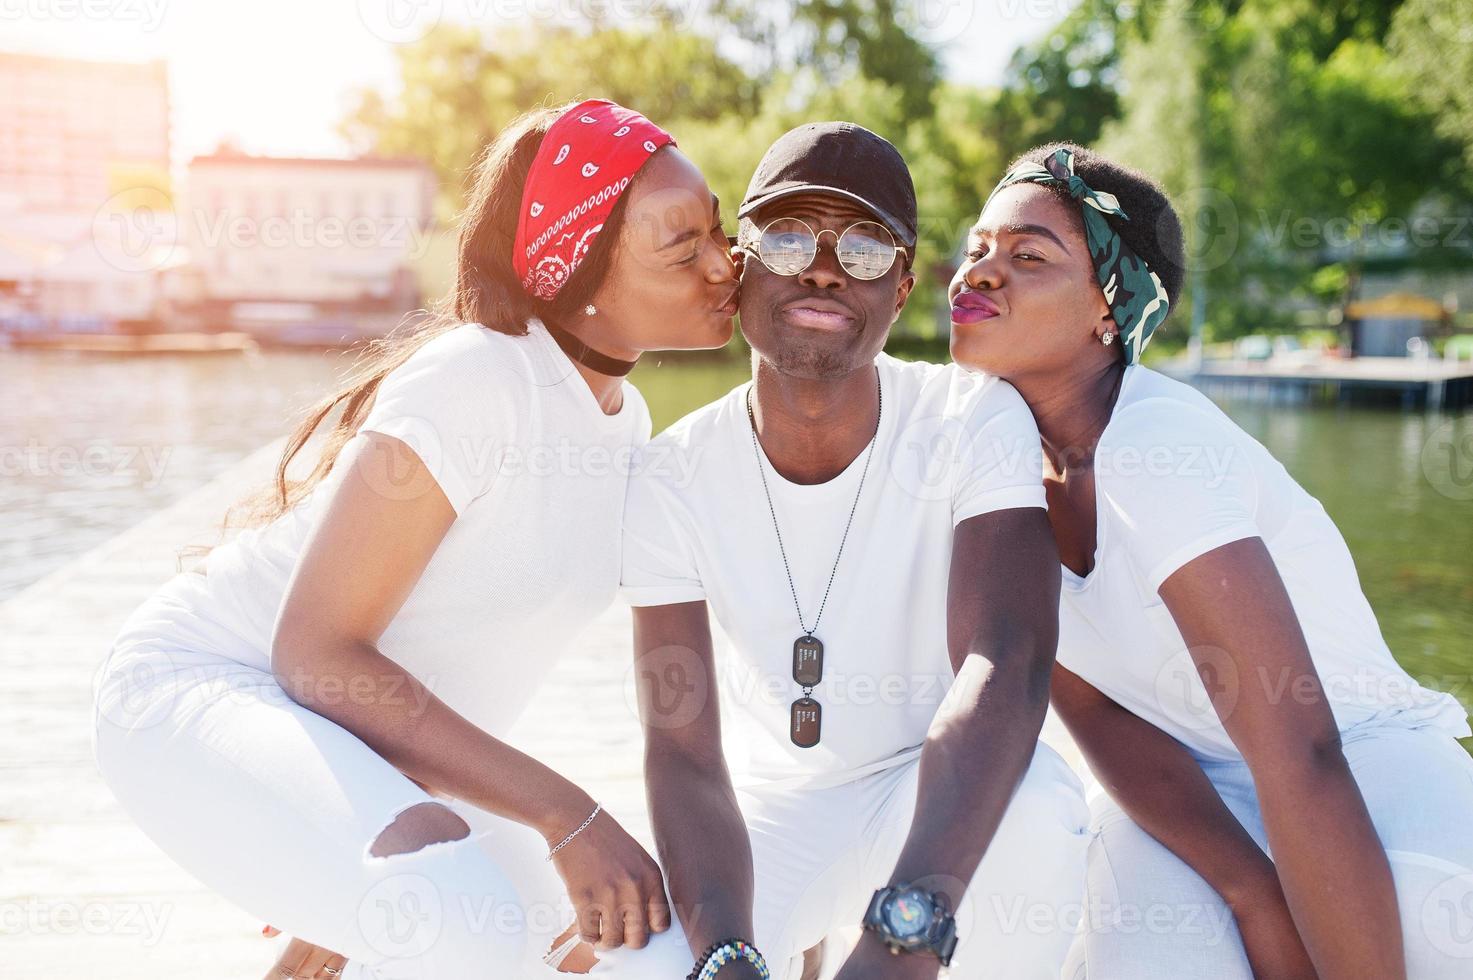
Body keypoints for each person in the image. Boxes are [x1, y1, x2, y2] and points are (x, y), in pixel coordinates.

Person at [91, 99, 739, 979]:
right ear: (581, 269)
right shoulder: (478, 378)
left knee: (650, 957)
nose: (723, 264)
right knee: (457, 923)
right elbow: (315, 650)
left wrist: (357, 834)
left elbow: (448, 653)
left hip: (358, 744)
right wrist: (566, 814)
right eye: (684, 246)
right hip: (202, 694)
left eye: (719, 232)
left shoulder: (624, 425)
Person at [948, 141, 1473, 979]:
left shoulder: (1157, 445)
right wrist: (1248, 890)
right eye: (974, 248)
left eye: (1026, 257)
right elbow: (1092, 710)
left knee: (1433, 926)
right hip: (1190, 781)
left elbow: (1297, 747)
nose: (976, 273)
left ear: (1108, 313)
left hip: (1359, 756)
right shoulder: (982, 449)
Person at [617, 122, 1090, 980]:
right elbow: (682, 754)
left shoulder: (970, 418)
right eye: (792, 237)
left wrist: (905, 931)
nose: (827, 268)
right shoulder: (670, 476)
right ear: (740, 260)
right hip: (773, 818)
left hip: (937, 791)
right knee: (639, 965)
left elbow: (1008, 659)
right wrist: (725, 952)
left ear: (904, 289)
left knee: (1043, 812)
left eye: (867, 247)